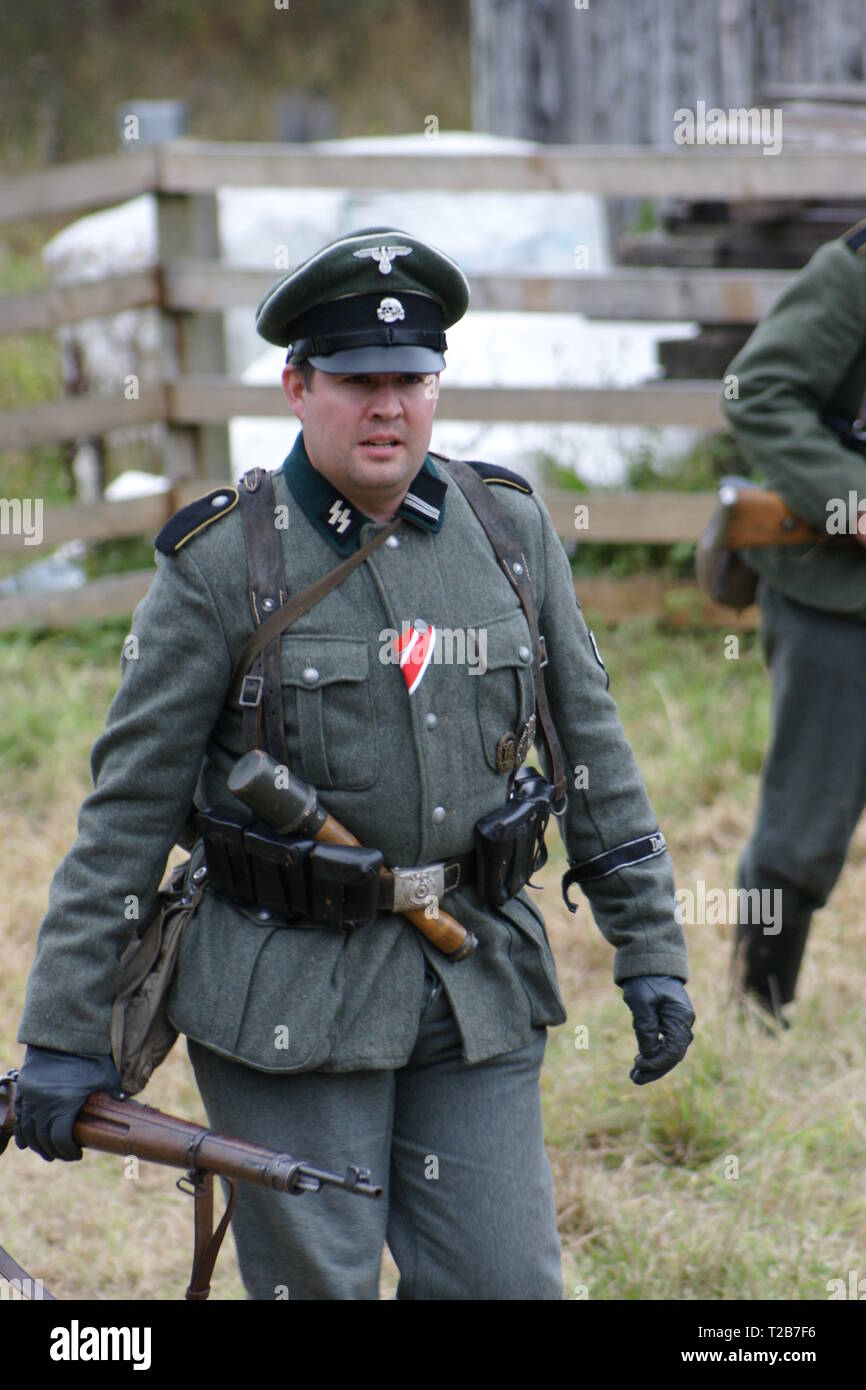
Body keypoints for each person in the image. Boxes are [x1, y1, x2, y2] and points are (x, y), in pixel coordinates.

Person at [14, 226, 694, 1300]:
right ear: (297, 385)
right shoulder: (224, 564)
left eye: (411, 379)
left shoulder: (508, 533)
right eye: (357, 380)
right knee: (318, 1290)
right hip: (286, 991)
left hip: (474, 976)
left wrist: (650, 947)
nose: (388, 406)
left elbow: (592, 752)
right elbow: (125, 814)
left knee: (504, 1284)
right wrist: (60, 1032)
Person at [723, 217, 866, 1025]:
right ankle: (757, 1010)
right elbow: (757, 390)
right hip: (841, 598)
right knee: (803, 827)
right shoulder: (853, 275)